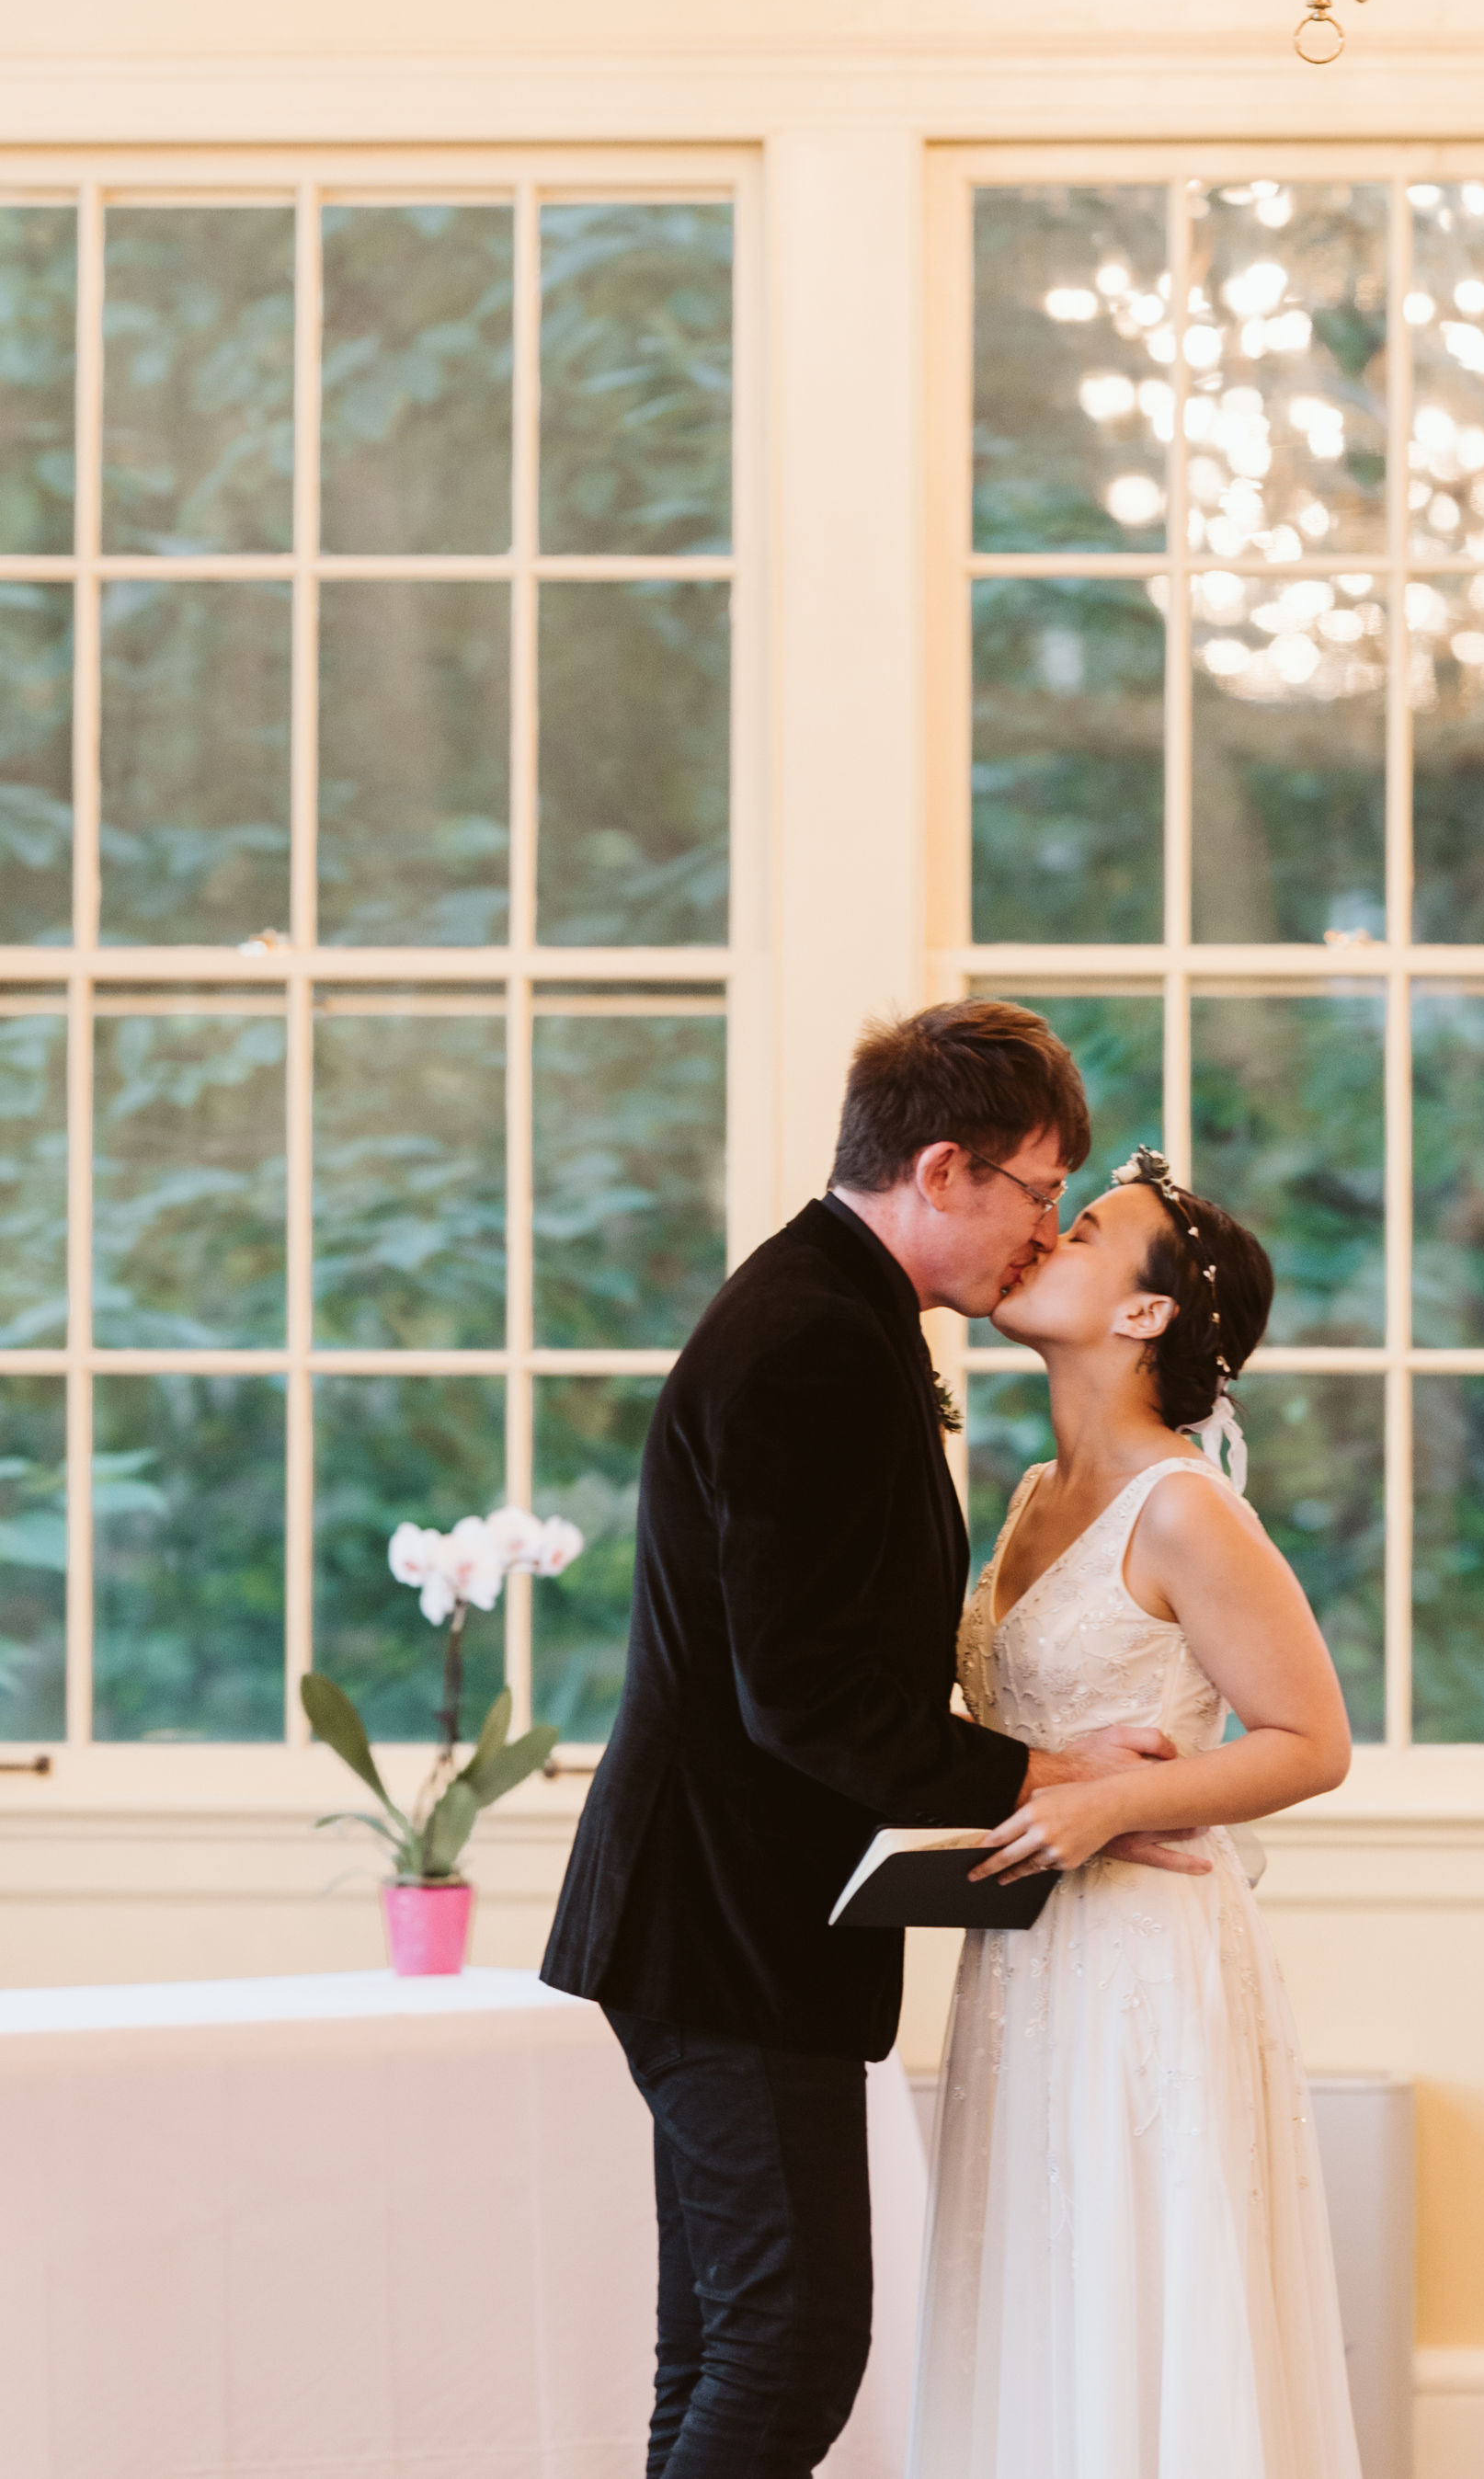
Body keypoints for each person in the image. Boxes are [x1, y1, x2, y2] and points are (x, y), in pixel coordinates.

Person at [541, 1004, 1200, 2479]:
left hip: (716, 1920)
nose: (1043, 1234)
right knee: (789, 2353)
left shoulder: (835, 1310)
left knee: (722, 2348)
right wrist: (1059, 1777)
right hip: (727, 1926)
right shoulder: (812, 1341)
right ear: (946, 1167)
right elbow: (812, 1698)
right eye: (1039, 1194)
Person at [908, 1146, 1362, 2479]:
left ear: (1146, 1313)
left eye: (1088, 1230)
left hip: (1144, 1969)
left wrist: (1121, 1807)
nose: (1046, 1235)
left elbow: (1312, 1742)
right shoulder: (1033, 1500)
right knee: (1039, 2301)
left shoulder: (1186, 1511)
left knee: (1139, 2300)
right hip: (1025, 1958)